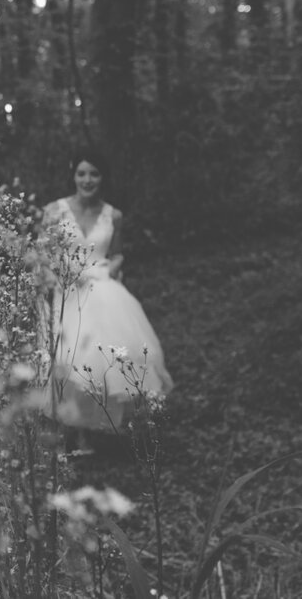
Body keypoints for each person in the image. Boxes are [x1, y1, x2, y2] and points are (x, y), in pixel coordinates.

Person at [42, 153, 173, 435]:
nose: (87, 180)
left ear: (102, 178)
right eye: (82, 173)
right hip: (68, 290)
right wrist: (60, 276)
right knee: (71, 356)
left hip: (102, 287)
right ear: (73, 176)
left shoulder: (113, 215)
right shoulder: (54, 211)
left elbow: (117, 254)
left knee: (105, 357)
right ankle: (75, 433)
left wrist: (111, 269)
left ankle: (101, 424)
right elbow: (44, 255)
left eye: (94, 174)